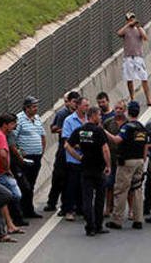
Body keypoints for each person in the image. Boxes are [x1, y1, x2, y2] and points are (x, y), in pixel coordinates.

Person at [66, 107, 111, 236]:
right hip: (98, 169)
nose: (101, 117)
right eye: (99, 115)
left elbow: (67, 145)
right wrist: (108, 165)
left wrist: (78, 157)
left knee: (87, 198)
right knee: (99, 199)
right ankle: (98, 225)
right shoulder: (98, 131)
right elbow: (105, 150)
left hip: (85, 168)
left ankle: (89, 226)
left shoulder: (80, 131)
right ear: (93, 116)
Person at [106, 100, 147, 230]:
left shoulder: (127, 127)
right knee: (137, 190)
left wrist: (104, 131)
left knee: (121, 190)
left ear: (128, 111)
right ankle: (138, 219)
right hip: (140, 161)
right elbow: (145, 145)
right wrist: (143, 159)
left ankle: (117, 220)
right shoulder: (142, 127)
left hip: (126, 162)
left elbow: (117, 140)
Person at [45, 90, 80, 213]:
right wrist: (65, 130)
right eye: (73, 102)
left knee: (70, 179)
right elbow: (54, 128)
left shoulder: (79, 115)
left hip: (74, 150)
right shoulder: (62, 114)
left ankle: (68, 205)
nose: (75, 105)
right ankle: (52, 202)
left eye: (77, 102)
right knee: (58, 176)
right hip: (63, 147)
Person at [14, 96, 45, 218]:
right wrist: (20, 153)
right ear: (26, 108)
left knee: (31, 184)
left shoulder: (37, 118)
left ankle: (29, 210)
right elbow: (14, 139)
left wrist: (41, 150)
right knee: (24, 185)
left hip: (36, 157)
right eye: (33, 107)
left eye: (36, 106)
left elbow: (42, 135)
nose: (36, 109)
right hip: (24, 159)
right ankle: (21, 210)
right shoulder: (19, 119)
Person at [0, 115, 26, 231]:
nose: (14, 126)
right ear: (5, 125)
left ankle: (9, 224)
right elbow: (2, 154)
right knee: (14, 194)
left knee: (5, 196)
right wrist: (7, 168)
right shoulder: (1, 136)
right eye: (12, 124)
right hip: (1, 173)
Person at [61, 95, 90, 221]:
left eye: (88, 106)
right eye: (85, 105)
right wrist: (81, 147)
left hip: (87, 158)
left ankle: (82, 208)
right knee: (72, 184)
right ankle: (69, 209)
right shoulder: (69, 120)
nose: (87, 108)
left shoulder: (89, 119)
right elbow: (67, 140)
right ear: (78, 106)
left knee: (84, 185)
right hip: (74, 158)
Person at [117, 13, 151, 106]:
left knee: (144, 78)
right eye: (129, 19)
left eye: (132, 19)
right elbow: (119, 33)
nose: (131, 20)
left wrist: (139, 27)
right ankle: (132, 98)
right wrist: (128, 25)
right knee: (129, 79)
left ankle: (148, 99)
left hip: (138, 57)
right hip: (128, 58)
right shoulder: (126, 30)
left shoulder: (139, 29)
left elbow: (145, 37)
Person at [102, 99, 127, 216]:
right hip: (110, 158)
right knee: (109, 183)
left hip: (124, 158)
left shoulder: (128, 124)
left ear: (125, 110)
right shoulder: (108, 122)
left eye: (120, 109)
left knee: (127, 185)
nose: (118, 111)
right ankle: (108, 208)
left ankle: (129, 210)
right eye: (116, 108)